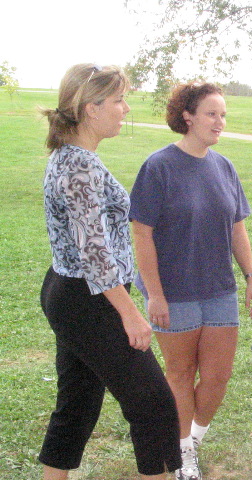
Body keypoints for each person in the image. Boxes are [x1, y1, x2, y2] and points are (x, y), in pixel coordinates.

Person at [39, 64, 181, 480]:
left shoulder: (72, 157)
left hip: (71, 292)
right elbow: (95, 252)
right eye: (118, 100)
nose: (125, 108)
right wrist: (130, 313)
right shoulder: (79, 166)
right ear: (89, 108)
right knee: (154, 404)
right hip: (90, 298)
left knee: (78, 403)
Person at [129, 81, 252, 480]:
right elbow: (141, 232)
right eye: (211, 113)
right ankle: (183, 451)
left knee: (218, 376)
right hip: (175, 293)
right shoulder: (159, 166)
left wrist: (251, 278)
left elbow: (237, 227)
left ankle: (193, 439)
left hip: (220, 289)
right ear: (187, 116)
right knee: (181, 374)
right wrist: (155, 294)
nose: (219, 121)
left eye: (223, 114)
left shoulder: (224, 166)